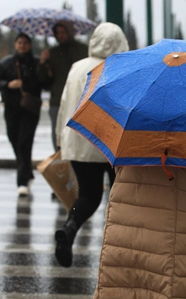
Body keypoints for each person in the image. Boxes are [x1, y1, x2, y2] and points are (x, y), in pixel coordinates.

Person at [93, 156, 186, 299]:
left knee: (126, 286)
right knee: (172, 285)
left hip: (125, 226)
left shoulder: (132, 134)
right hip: (176, 234)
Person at [53, 22, 129, 268]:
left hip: (78, 141)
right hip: (110, 144)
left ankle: (70, 227)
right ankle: (119, 247)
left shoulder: (77, 67)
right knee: (120, 197)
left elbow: (65, 105)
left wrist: (59, 140)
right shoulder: (119, 67)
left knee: (88, 194)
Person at [0, 33, 45, 196]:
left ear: (30, 45)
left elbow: (44, 82)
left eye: (25, 43)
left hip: (29, 109)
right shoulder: (6, 63)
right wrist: (8, 84)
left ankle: (22, 181)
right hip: (11, 108)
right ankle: (28, 173)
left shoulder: (36, 62)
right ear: (15, 44)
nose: (22, 45)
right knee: (14, 140)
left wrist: (44, 65)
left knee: (24, 143)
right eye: (20, 42)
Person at [37, 20, 88, 152]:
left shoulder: (83, 50)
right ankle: (61, 163)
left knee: (79, 135)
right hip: (57, 100)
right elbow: (43, 80)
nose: (60, 35)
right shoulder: (52, 53)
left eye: (63, 32)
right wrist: (43, 63)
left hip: (80, 99)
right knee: (58, 134)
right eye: (58, 32)